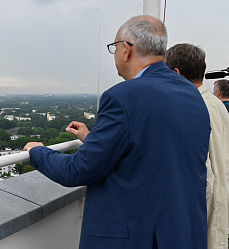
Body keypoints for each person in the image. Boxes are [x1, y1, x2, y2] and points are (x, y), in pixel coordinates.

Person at [23, 15, 210, 249]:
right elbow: (154, 152)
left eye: (114, 47)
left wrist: (38, 153)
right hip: (182, 234)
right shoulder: (191, 93)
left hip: (137, 238)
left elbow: (78, 170)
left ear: (126, 50)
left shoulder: (122, 97)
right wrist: (92, 139)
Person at [165, 43, 229, 249]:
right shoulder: (216, 103)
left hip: (205, 219)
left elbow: (205, 177)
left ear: (176, 73)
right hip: (220, 209)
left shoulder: (195, 107)